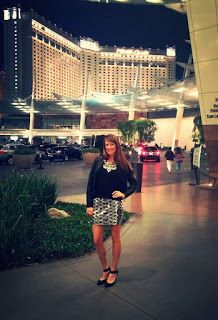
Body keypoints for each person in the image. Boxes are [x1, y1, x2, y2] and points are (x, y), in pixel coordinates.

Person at [86, 134, 137, 287]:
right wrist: (89, 204)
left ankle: (114, 270)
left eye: (111, 145)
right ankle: (105, 268)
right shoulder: (98, 161)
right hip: (98, 203)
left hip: (115, 205)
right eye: (106, 145)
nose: (108, 147)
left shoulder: (123, 164)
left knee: (115, 238)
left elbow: (133, 184)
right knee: (96, 239)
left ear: (117, 146)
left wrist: (124, 194)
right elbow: (90, 184)